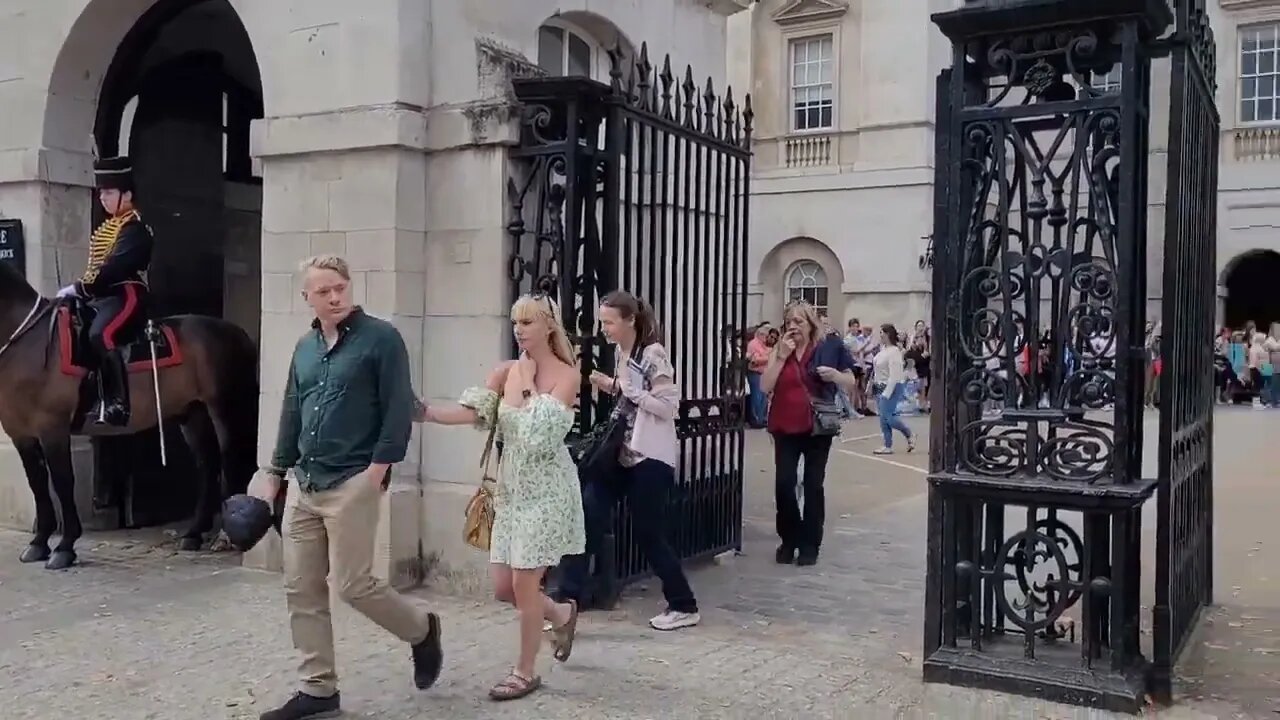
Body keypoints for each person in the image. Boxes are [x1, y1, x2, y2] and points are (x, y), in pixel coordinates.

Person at [255, 255, 443, 720]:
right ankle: (319, 689)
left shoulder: (382, 339)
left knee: (355, 586)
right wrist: (276, 472)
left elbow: (398, 408)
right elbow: (291, 410)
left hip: (354, 480)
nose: (335, 297)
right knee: (300, 588)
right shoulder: (304, 347)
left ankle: (421, 630)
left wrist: (377, 474)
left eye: (341, 287)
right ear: (308, 298)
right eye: (324, 291)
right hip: (306, 483)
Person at [419, 293, 584, 701]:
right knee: (503, 588)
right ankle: (562, 614)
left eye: (528, 322)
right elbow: (476, 413)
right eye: (516, 323)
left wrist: (527, 382)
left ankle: (524, 672)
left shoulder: (567, 375)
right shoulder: (503, 371)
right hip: (510, 491)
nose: (519, 330)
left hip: (548, 491)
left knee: (525, 586)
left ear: (548, 326)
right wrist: (424, 412)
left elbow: (538, 437)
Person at [560, 290, 702, 630]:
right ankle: (567, 599)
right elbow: (630, 399)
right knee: (587, 513)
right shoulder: (622, 353)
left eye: (609, 322)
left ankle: (683, 604)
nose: (604, 328)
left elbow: (668, 407)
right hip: (620, 454)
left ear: (629, 321)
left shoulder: (654, 354)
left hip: (649, 457)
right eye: (602, 321)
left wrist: (631, 390)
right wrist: (610, 384)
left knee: (648, 532)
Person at [55, 156, 154, 426]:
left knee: (102, 333)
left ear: (127, 194)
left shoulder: (135, 229)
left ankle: (117, 403)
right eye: (102, 193)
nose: (103, 198)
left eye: (109, 192)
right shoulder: (108, 228)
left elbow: (115, 268)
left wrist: (79, 287)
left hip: (126, 294)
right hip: (99, 296)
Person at [761, 301, 856, 566]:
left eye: (799, 321)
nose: (793, 327)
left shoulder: (829, 346)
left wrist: (835, 375)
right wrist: (780, 356)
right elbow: (764, 386)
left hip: (817, 427)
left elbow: (851, 380)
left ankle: (810, 543)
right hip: (784, 424)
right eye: (789, 321)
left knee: (813, 486)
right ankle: (789, 538)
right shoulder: (781, 349)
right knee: (784, 484)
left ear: (811, 324)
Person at [871, 324, 916, 455]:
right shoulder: (883, 350)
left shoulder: (895, 352)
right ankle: (887, 444)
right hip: (879, 385)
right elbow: (876, 371)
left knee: (888, 417)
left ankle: (909, 433)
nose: (880, 335)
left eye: (881, 332)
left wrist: (887, 392)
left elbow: (895, 375)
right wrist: (872, 386)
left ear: (888, 334)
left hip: (891, 386)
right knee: (883, 418)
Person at [746, 324, 772, 427]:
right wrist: (768, 357)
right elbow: (755, 360)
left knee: (763, 399)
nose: (767, 338)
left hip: (764, 374)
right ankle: (756, 420)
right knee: (756, 398)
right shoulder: (753, 344)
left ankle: (761, 419)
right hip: (755, 373)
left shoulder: (764, 345)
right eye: (766, 336)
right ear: (761, 334)